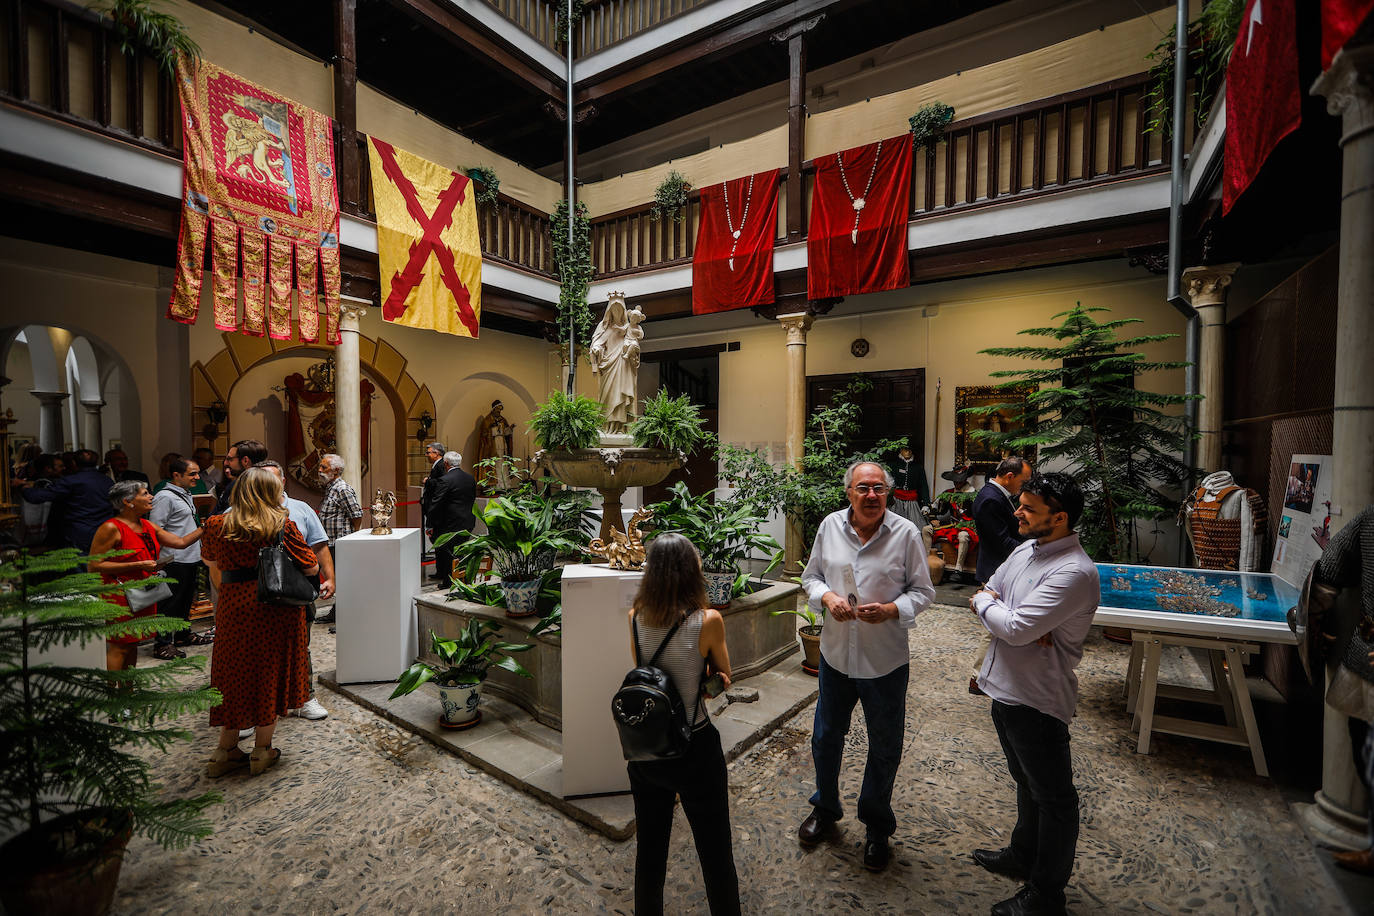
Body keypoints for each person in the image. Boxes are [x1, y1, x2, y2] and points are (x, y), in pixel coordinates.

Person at [969, 472, 1100, 916]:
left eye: (1028, 508)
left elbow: (1016, 627)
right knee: (1025, 784)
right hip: (1004, 690)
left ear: (1060, 518)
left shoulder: (1074, 572)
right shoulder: (1028, 547)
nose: (1017, 513)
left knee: (1055, 800)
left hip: (1039, 701)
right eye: (1019, 504)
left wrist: (1005, 617)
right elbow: (990, 586)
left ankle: (1047, 894)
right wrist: (1004, 614)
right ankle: (1022, 855)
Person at [798, 460, 936, 872]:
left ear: (887, 493)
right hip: (837, 657)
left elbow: (924, 591)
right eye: (863, 488)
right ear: (849, 493)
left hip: (884, 662)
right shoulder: (829, 527)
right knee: (825, 737)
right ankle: (825, 809)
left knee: (885, 746)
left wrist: (894, 608)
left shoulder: (906, 534)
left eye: (878, 488)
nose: (871, 496)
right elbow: (811, 577)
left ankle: (877, 827)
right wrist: (827, 598)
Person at [626, 533, 740, 915]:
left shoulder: (635, 619)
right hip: (695, 747)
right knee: (715, 855)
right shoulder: (708, 620)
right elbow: (722, 679)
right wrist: (707, 676)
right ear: (692, 571)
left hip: (648, 749)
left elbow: (645, 674)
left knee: (650, 854)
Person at [201, 467, 318, 777]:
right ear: (270, 494)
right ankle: (262, 751)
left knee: (234, 673)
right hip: (274, 610)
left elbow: (210, 562)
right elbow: (310, 566)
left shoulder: (215, 525)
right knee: (270, 672)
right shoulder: (281, 526)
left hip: (233, 609)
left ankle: (224, 752)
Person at [87, 480, 204, 672]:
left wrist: (206, 527)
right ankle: (113, 697)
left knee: (132, 644)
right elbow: (94, 565)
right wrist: (138, 564)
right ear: (128, 501)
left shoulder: (147, 525)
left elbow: (181, 542)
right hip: (119, 595)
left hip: (143, 593)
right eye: (145, 493)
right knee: (120, 646)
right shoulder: (111, 528)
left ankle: (128, 694)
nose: (151, 497)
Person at [257, 461, 334, 721]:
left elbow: (319, 545)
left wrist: (329, 578)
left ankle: (304, 697)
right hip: (256, 592)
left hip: (297, 588)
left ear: (282, 481)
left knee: (301, 645)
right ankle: (255, 707)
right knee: (256, 650)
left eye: (274, 479)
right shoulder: (240, 511)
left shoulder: (299, 510)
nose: (269, 484)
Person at [968, 457, 1034, 692]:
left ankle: (989, 676)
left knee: (997, 627)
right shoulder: (989, 499)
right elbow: (1001, 542)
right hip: (997, 569)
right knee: (991, 627)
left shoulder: (997, 495)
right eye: (1023, 481)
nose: (1023, 487)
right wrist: (1032, 548)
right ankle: (977, 678)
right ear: (1009, 477)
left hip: (1003, 567)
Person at [148, 457, 215, 660]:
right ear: (176, 475)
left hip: (190, 556)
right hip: (174, 557)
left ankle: (183, 635)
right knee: (170, 603)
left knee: (186, 600)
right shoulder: (164, 497)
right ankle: (163, 643)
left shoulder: (184, 493)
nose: (197, 477)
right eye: (192, 474)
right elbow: (155, 528)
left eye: (197, 473)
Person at [18, 448, 112, 552]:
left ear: (74, 463)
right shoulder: (107, 481)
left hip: (78, 535)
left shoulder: (71, 481)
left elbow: (36, 497)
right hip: (104, 532)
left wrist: (23, 487)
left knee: (80, 565)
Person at [314, 453, 361, 626]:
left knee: (343, 582)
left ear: (336, 471)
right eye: (320, 467)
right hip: (329, 543)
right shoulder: (330, 487)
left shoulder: (342, 489)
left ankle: (345, 619)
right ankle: (336, 614)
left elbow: (356, 515)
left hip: (339, 543)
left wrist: (352, 537)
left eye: (324, 467)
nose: (319, 470)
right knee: (335, 581)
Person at [588, 292, 642, 434]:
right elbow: (598, 342)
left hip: (624, 366)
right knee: (608, 396)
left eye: (619, 309)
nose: (616, 312)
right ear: (609, 310)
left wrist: (634, 350)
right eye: (614, 309)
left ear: (623, 310)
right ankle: (606, 427)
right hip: (608, 367)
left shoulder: (629, 328)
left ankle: (622, 428)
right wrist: (596, 348)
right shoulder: (604, 327)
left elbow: (634, 344)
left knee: (622, 397)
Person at [424, 451, 477, 585]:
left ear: (446, 464)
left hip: (448, 524)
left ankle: (449, 582)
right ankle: (464, 578)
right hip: (467, 521)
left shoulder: (445, 480)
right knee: (461, 551)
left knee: (447, 554)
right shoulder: (470, 478)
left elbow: (436, 503)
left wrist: (429, 524)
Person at [212, 439, 268, 516]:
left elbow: (215, 517)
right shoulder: (272, 483)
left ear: (245, 461)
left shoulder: (237, 485)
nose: (226, 463)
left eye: (230, 459)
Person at [474, 400, 516, 492]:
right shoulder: (487, 421)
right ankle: (495, 485)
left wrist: (510, 429)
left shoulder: (503, 420)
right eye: (497, 410)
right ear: (493, 409)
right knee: (496, 465)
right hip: (492, 446)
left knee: (503, 465)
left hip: (502, 444)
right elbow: (484, 434)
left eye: (500, 410)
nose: (499, 412)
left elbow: (505, 433)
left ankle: (504, 485)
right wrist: (495, 430)